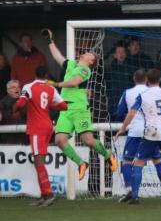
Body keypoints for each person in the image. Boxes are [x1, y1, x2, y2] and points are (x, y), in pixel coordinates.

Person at [44, 28, 118, 180]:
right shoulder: (71, 64)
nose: (86, 52)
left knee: (87, 140)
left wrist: (57, 85)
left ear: (91, 61)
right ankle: (81, 163)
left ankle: (108, 154)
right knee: (59, 140)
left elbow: (74, 82)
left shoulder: (86, 70)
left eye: (90, 54)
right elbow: (58, 57)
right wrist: (50, 41)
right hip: (65, 108)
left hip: (79, 109)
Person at [116, 68, 161, 204]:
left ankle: (134, 196)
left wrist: (123, 128)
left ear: (148, 81)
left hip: (150, 132)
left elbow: (131, 114)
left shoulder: (143, 95)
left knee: (138, 163)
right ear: (160, 80)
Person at [13, 66, 68, 207]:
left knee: (39, 161)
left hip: (37, 127)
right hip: (48, 126)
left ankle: (48, 194)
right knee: (39, 161)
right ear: (46, 75)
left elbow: (21, 103)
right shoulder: (51, 89)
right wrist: (49, 106)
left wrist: (15, 108)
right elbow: (63, 106)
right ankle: (44, 195)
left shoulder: (29, 87)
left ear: (34, 74)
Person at [106, 43, 135, 120]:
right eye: (118, 52)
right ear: (114, 55)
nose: (121, 54)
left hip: (127, 103)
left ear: (126, 54)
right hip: (114, 104)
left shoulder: (131, 68)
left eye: (123, 52)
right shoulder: (110, 69)